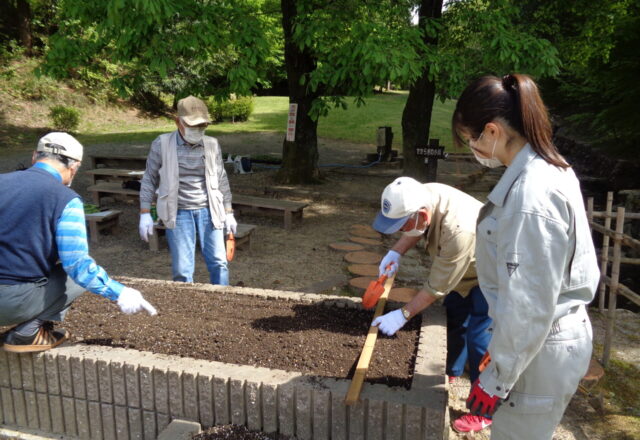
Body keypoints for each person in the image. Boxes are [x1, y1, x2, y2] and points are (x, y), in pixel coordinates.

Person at [451, 73, 598, 439]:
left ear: (492, 131)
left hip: (542, 348)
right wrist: (502, 352)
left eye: (471, 140)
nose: (474, 149)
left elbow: (530, 303)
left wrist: (498, 377)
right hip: (542, 341)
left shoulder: (530, 198)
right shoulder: (546, 167)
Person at [0, 132, 157, 353]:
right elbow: (77, 264)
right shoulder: (65, 199)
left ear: (35, 156)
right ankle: (28, 332)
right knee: (72, 277)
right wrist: (120, 292)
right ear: (74, 167)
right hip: (10, 303)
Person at [371, 177, 494, 433]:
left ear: (422, 214)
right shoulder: (423, 194)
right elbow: (415, 227)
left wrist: (403, 315)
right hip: (465, 267)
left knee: (480, 338)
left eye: (401, 225)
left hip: (493, 275)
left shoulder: (459, 230)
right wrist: (396, 252)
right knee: (456, 318)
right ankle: (452, 371)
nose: (400, 231)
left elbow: (436, 287)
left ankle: (484, 410)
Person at [138, 95, 236, 285]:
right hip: (178, 212)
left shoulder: (212, 145)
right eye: (193, 126)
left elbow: (221, 178)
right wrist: (144, 212)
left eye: (202, 126)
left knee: (219, 263)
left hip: (210, 210)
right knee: (182, 270)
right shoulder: (162, 143)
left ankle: (221, 301)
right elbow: (149, 178)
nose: (198, 130)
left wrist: (229, 211)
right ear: (178, 122)